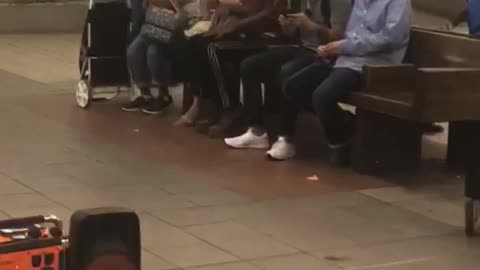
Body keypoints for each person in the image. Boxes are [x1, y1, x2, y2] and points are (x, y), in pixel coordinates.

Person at [224, 0, 352, 159]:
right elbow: (293, 36)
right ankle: (256, 132)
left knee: (287, 71)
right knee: (250, 65)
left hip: (324, 54)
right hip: (302, 49)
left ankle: (286, 139)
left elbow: (341, 37)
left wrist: (314, 26)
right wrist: (288, 28)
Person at [174, 0, 287, 136]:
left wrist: (237, 22)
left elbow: (269, 14)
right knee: (194, 42)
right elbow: (246, 7)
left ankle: (230, 108)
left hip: (266, 37)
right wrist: (226, 12)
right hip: (246, 31)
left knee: (212, 50)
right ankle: (213, 103)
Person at [122, 0, 199, 114]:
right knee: (134, 50)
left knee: (154, 51)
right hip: (156, 24)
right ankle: (145, 95)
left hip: (175, 26)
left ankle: (164, 95)